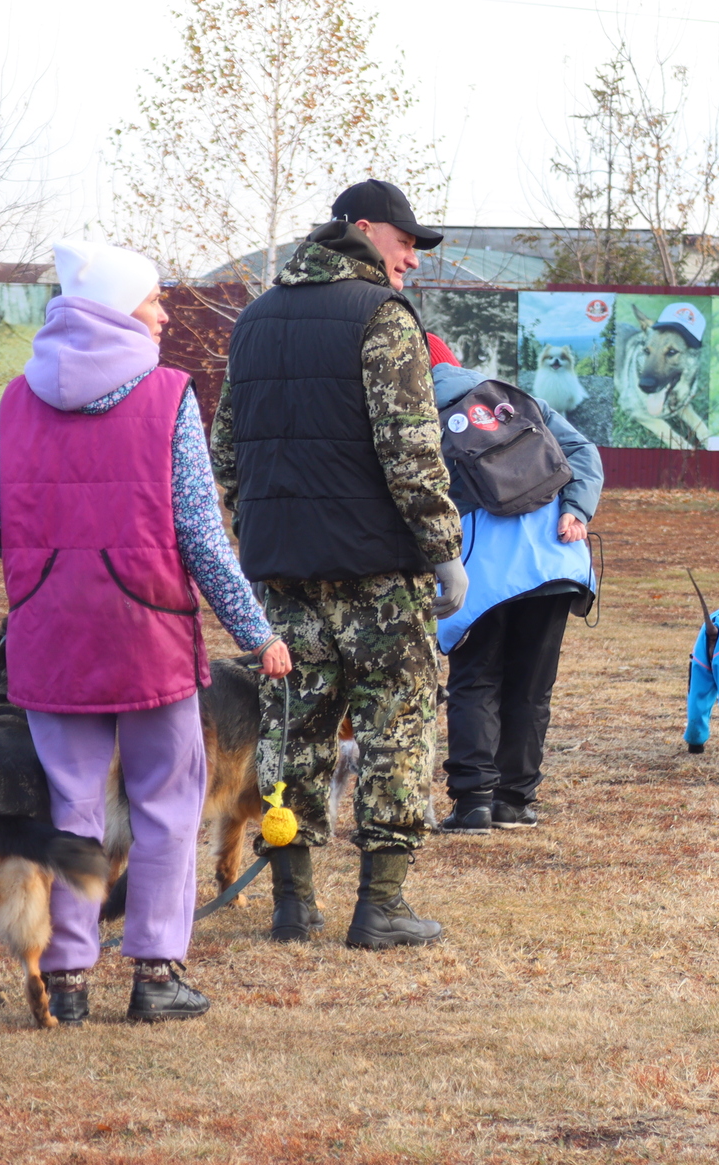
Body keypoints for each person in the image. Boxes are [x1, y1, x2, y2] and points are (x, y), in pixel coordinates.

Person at [0, 240, 291, 1024]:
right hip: (147, 629)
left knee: (70, 807)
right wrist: (257, 630)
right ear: (115, 308)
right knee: (168, 803)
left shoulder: (16, 398)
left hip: (50, 629)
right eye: (151, 299)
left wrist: (45, 557)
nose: (165, 311)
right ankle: (156, 973)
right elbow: (202, 538)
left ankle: (67, 978)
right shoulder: (169, 395)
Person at [211, 178, 464, 950]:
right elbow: (412, 453)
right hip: (379, 575)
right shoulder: (382, 318)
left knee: (294, 730)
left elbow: (225, 451)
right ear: (362, 230)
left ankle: (293, 905)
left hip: (281, 574)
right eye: (405, 243)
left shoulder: (253, 321)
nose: (413, 261)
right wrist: (444, 551)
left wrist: (264, 526)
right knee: (398, 728)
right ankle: (380, 908)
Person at [424, 332, 600, 834]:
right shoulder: (513, 397)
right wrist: (577, 510)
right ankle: (515, 801)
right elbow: (582, 451)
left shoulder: (412, 412)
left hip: (482, 566)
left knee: (476, 678)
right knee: (531, 685)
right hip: (555, 558)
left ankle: (474, 801)